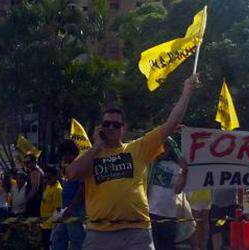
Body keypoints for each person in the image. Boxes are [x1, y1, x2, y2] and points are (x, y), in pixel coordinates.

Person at [67, 73, 200, 250]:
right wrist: (96, 147)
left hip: (136, 232)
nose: (111, 128)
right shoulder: (90, 155)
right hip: (99, 233)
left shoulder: (138, 148)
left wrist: (187, 91)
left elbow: (171, 123)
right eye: (107, 124)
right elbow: (72, 173)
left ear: (124, 128)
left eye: (116, 125)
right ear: (100, 127)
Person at [147, 137, 189, 250]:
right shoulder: (149, 164)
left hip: (169, 215)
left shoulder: (176, 166)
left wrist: (184, 172)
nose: (162, 149)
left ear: (169, 149)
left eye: (165, 147)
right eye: (159, 147)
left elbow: (178, 189)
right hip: (150, 214)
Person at [53, 140, 86, 250]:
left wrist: (71, 207)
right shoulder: (70, 167)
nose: (63, 158)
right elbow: (69, 186)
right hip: (65, 209)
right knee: (58, 237)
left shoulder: (80, 165)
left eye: (63, 155)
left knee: (76, 240)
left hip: (75, 210)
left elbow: (82, 189)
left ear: (68, 153)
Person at [41, 167, 63, 250]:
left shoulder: (57, 189)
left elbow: (58, 209)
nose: (46, 180)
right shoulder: (48, 186)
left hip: (51, 226)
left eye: (49, 178)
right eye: (45, 178)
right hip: (44, 223)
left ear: (56, 176)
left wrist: (55, 227)